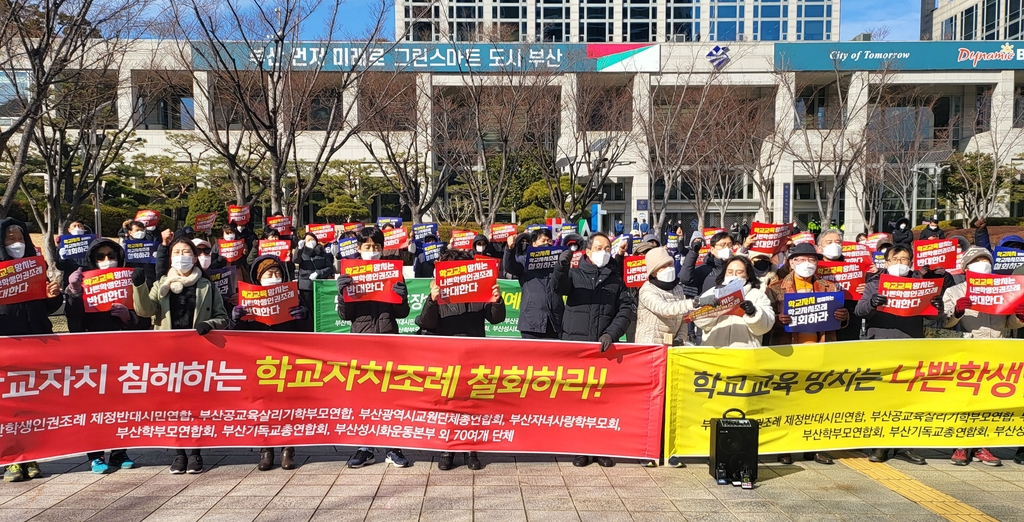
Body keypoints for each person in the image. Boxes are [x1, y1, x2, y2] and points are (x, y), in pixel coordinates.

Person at [132, 237, 228, 474]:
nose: (181, 255)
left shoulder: (206, 286)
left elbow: (223, 317)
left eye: (186, 251)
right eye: (177, 251)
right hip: (168, 354)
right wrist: (139, 286)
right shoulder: (161, 285)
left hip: (197, 353)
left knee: (195, 404)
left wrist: (209, 324)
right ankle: (178, 454)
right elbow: (145, 310)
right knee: (173, 405)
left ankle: (195, 452)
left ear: (195, 257)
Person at [856, 244, 947, 466]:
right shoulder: (874, 284)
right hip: (881, 345)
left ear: (911, 262)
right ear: (886, 262)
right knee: (883, 397)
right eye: (895, 260)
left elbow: (934, 318)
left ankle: (905, 446)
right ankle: (880, 445)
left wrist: (937, 306)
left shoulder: (922, 285)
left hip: (910, 345)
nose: (900, 264)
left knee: (907, 398)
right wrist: (872, 303)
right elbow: (859, 311)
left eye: (904, 260)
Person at [416, 249, 505, 471]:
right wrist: (432, 300)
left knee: (471, 403)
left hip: (474, 355)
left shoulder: (479, 291)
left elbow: (496, 318)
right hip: (446, 356)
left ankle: (470, 449)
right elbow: (425, 323)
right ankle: (447, 449)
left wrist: (496, 300)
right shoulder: (439, 293)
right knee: (448, 403)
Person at [552, 232, 631, 468]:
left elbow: (625, 310)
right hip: (577, 349)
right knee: (578, 400)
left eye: (607, 248)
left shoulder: (615, 281)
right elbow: (557, 287)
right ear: (587, 251)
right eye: (599, 248)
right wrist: (561, 267)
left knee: (603, 401)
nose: (604, 252)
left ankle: (601, 448)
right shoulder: (574, 275)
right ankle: (581, 447)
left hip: (604, 349)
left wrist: (611, 334)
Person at [766, 242, 849, 466]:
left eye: (812, 260)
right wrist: (776, 321)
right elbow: (765, 319)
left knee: (817, 402)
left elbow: (841, 319)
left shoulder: (829, 287)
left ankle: (815, 448)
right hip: (788, 351)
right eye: (801, 259)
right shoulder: (775, 288)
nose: (807, 264)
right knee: (787, 400)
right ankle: (785, 447)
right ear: (792, 262)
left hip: (820, 350)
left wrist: (843, 315)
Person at [335, 227, 412, 468]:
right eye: (367, 247)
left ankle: (392, 446)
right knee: (364, 395)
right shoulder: (351, 273)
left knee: (390, 395)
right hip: (362, 340)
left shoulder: (391, 271)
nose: (372, 251)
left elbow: (403, 313)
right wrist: (342, 293)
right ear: (358, 248)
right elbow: (345, 315)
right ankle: (365, 447)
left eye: (377, 247)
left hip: (389, 339)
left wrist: (402, 296)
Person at [941, 247, 1022, 466]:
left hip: (997, 349)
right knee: (965, 399)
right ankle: (960, 446)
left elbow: (1009, 322)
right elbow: (945, 321)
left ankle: (982, 446)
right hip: (967, 350)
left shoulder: (1003, 289)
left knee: (988, 400)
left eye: (986, 260)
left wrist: (1020, 317)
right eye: (977, 260)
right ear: (966, 268)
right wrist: (957, 311)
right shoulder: (955, 291)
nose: (982, 264)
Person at [63, 238, 138, 473]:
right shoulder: (86, 282)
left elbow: (145, 320)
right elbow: (73, 322)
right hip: (93, 353)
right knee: (93, 405)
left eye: (111, 255)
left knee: (121, 404)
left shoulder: (130, 281)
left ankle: (119, 452)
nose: (107, 260)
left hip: (123, 352)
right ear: (92, 260)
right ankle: (95, 455)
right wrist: (74, 293)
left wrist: (128, 318)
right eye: (101, 257)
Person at [231, 255, 311, 471]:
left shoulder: (294, 296)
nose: (273, 277)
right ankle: (266, 450)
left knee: (287, 405)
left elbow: (308, 331)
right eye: (268, 274)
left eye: (276, 273)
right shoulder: (247, 300)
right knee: (263, 406)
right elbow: (238, 336)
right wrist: (236, 319)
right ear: (258, 277)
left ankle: (288, 449)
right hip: (259, 361)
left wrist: (303, 316)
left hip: (287, 359)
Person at [0, 218, 60, 483]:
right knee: (9, 406)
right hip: (7, 345)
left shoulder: (37, 267)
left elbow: (46, 307)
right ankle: (12, 460)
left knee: (33, 404)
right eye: (10, 238)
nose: (16, 243)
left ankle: (32, 457)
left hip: (37, 342)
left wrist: (53, 295)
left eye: (20, 237)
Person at [634, 247, 710, 345]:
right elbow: (665, 309)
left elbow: (683, 318)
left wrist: (680, 338)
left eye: (669, 264)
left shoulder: (677, 289)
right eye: (663, 266)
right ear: (653, 272)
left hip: (671, 345)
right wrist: (695, 302)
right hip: (650, 345)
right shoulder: (647, 290)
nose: (668, 268)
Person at [694, 256, 775, 347]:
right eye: (730, 272)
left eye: (739, 272)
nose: (734, 275)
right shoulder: (712, 292)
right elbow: (700, 322)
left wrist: (754, 313)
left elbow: (766, 326)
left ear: (747, 275)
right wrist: (713, 308)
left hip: (745, 354)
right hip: (715, 353)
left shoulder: (757, 295)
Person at [503, 228, 564, 339]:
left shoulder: (558, 262)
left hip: (554, 321)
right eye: (543, 241)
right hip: (531, 321)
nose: (546, 244)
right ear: (534, 244)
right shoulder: (524, 260)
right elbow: (509, 266)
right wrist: (510, 249)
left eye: (549, 241)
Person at [817, 229, 871, 341]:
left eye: (838, 242)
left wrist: (867, 290)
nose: (834, 245)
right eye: (829, 242)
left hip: (849, 320)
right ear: (819, 248)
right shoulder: (813, 266)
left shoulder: (855, 268)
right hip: (820, 319)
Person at [294, 231, 335, 309]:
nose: (311, 242)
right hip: (305, 286)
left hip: (320, 284)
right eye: (308, 240)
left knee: (321, 308)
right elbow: (296, 260)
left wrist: (318, 273)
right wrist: (299, 249)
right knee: (308, 308)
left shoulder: (323, 253)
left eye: (312, 239)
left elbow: (330, 268)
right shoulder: (301, 252)